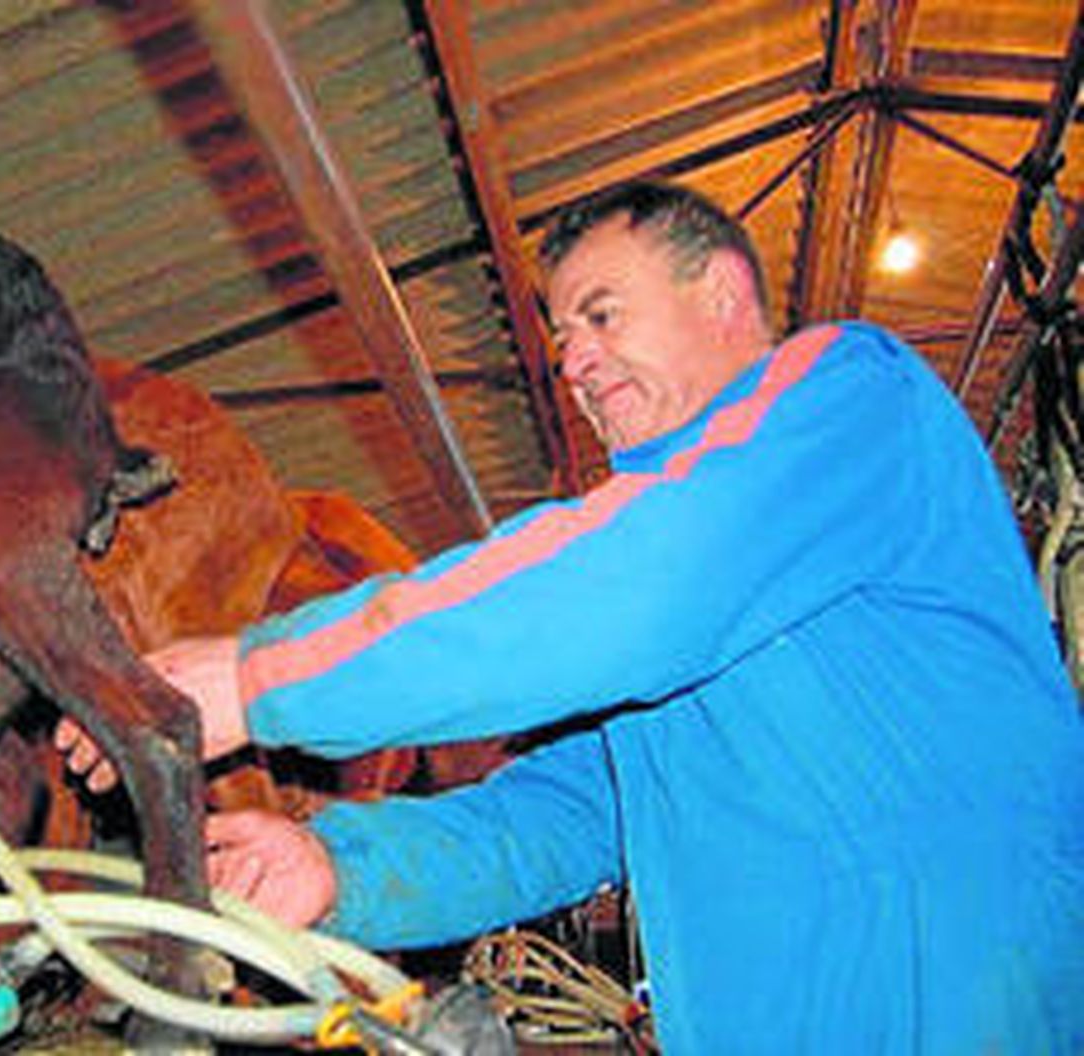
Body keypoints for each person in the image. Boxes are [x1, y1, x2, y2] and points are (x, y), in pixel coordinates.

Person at [58, 181, 1084, 1052]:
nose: (575, 362)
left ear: (722, 292)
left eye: (601, 315)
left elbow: (641, 576)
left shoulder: (851, 397)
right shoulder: (674, 651)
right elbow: (550, 819)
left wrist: (257, 677)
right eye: (561, 341)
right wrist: (337, 868)